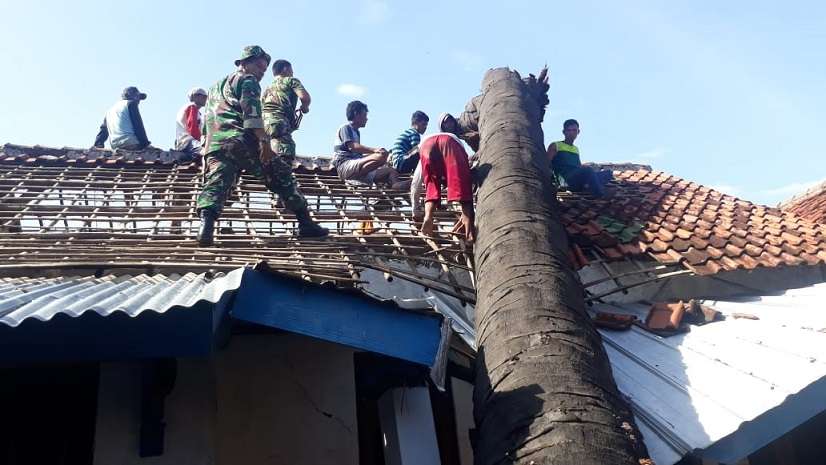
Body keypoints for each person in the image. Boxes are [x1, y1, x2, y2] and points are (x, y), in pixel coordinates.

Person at [196, 45, 328, 245]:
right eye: (258, 66)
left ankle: (205, 229)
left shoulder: (214, 87)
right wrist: (264, 143)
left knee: (217, 182)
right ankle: (305, 223)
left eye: (264, 69)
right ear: (244, 63)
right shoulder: (247, 80)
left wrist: (205, 151)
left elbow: (206, 123)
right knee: (281, 173)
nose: (261, 72)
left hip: (215, 145)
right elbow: (252, 115)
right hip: (239, 140)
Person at [410, 113, 475, 242]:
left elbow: (416, 181)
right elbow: (464, 179)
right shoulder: (456, 141)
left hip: (426, 144)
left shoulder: (427, 140)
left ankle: (428, 216)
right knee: (463, 185)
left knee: (431, 183)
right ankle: (469, 231)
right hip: (450, 143)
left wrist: (415, 209)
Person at [333, 101, 405, 188]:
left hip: (356, 167)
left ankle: (395, 184)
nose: (366, 119)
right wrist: (375, 151)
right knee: (380, 156)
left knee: (391, 170)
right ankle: (354, 177)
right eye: (364, 115)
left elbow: (358, 154)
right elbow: (353, 147)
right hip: (345, 166)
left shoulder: (356, 132)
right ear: (356, 114)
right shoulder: (345, 128)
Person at [546, 119, 613, 196]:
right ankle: (599, 194)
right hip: (565, 181)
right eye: (569, 130)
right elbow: (546, 164)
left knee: (608, 173)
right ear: (564, 132)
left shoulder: (576, 149)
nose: (571, 133)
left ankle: (587, 187)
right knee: (588, 170)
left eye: (574, 130)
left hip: (577, 180)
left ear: (578, 132)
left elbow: (578, 167)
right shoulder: (555, 145)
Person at [262, 59, 310, 164]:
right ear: (285, 69)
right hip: (280, 122)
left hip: (264, 126)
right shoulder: (290, 80)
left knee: (271, 151)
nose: (292, 73)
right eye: (291, 70)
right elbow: (305, 98)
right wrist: (304, 107)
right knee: (286, 152)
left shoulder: (267, 89)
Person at [175, 87, 208, 155]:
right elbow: (192, 127)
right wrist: (201, 142)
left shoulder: (196, 111)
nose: (206, 99)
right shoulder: (191, 107)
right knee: (208, 153)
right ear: (195, 97)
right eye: (204, 96)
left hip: (185, 142)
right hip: (188, 141)